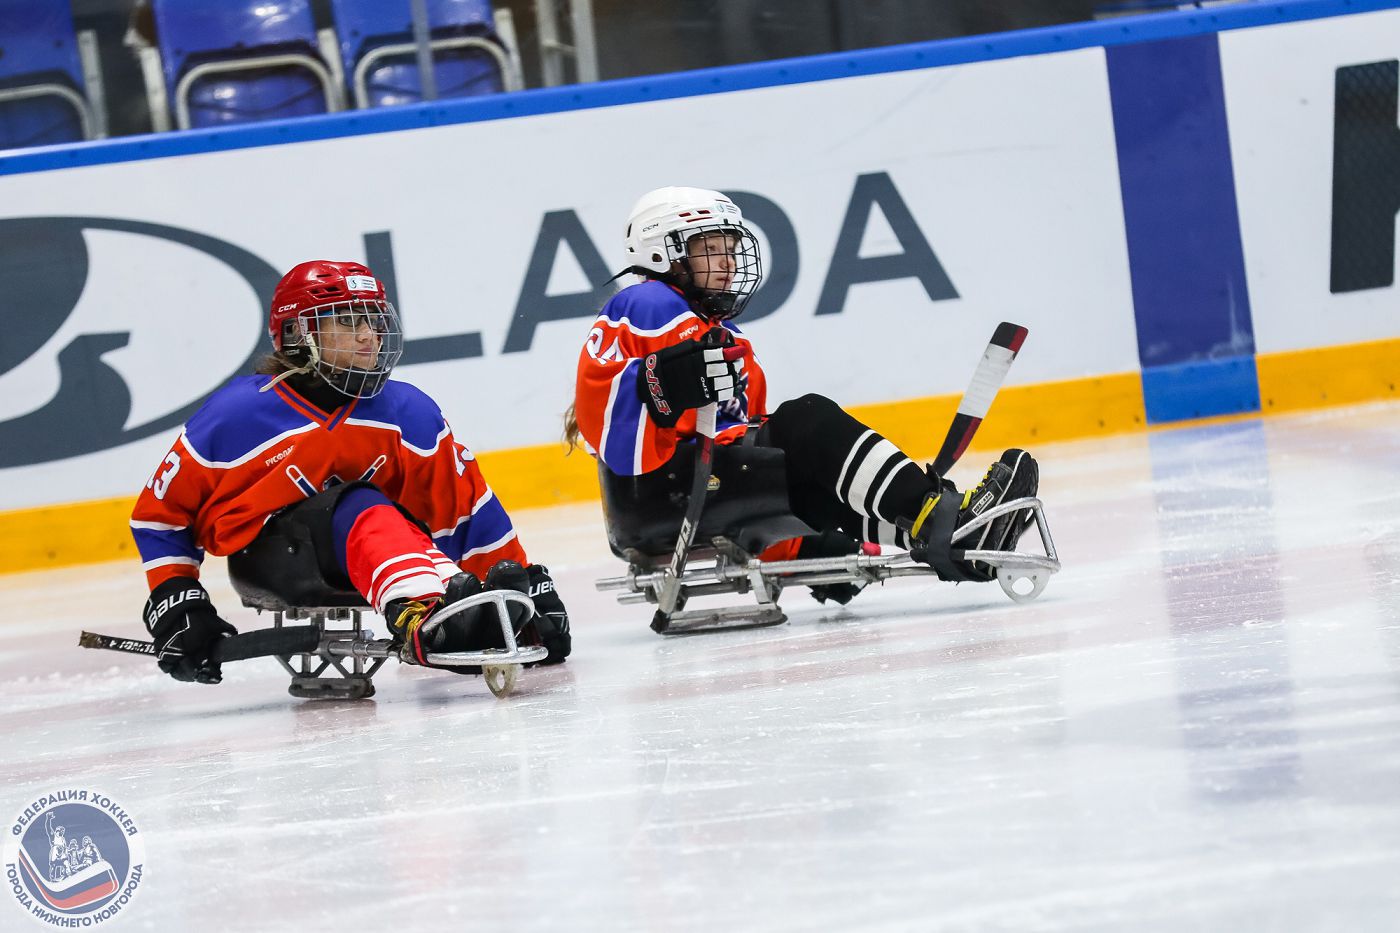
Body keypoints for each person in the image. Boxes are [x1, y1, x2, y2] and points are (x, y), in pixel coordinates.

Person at [568, 187, 1039, 601]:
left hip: (696, 489)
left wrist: (805, 549)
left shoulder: (722, 334)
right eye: (710, 248)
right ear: (663, 253)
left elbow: (742, 443)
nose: (727, 262)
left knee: (810, 472)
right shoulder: (647, 303)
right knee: (805, 421)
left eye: (730, 248)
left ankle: (954, 543)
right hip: (660, 493)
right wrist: (660, 383)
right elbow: (608, 421)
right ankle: (942, 519)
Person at [131, 260, 570, 685]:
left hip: (371, 560)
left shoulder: (409, 412)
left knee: (389, 517)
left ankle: (468, 612)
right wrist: (177, 600)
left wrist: (522, 585)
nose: (368, 336)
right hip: (271, 562)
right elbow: (160, 516)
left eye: (373, 321)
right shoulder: (236, 415)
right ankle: (425, 617)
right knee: (361, 502)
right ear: (296, 334)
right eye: (346, 321)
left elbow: (465, 510)